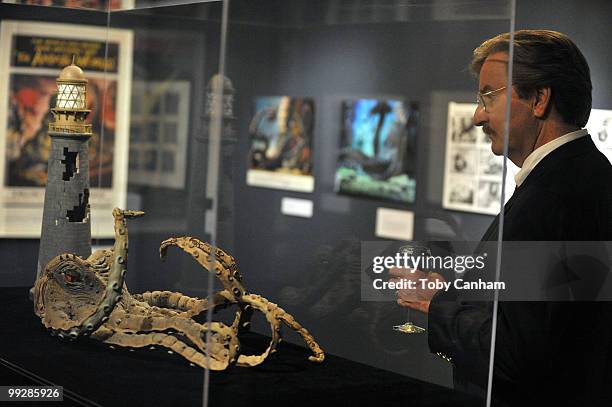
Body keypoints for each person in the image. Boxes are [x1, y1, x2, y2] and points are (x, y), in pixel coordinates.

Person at [392, 30, 612, 405]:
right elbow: (544, 319)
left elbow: (518, 353)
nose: (478, 115)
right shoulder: (586, 173)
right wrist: (455, 295)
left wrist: (436, 304)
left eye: (488, 96)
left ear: (539, 99)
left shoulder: (550, 198)